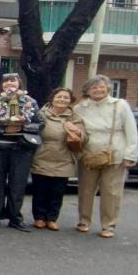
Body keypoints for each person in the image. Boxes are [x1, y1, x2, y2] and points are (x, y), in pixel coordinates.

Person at [73, 75, 137, 238]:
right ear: (87, 90)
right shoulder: (80, 107)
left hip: (114, 152)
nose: (98, 90)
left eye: (101, 86)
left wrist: (130, 154)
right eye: (93, 87)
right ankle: (84, 220)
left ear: (108, 88)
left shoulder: (120, 105)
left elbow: (131, 130)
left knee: (112, 191)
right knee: (86, 190)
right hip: (89, 152)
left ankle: (108, 225)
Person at [0, 73, 43, 232]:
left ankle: (15, 217)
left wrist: (23, 127)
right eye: (6, 81)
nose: (9, 84)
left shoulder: (30, 102)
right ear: (2, 85)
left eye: (12, 81)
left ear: (19, 83)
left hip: (21, 148)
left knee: (18, 184)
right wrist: (3, 128)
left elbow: (40, 123)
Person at [31, 88, 86, 231]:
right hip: (42, 156)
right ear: (52, 99)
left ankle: (52, 218)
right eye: (59, 97)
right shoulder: (41, 114)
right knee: (40, 190)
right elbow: (32, 131)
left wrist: (77, 131)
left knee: (57, 192)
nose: (62, 99)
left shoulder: (74, 117)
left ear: (70, 100)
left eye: (66, 98)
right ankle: (39, 217)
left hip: (64, 158)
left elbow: (85, 137)